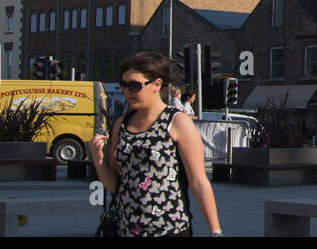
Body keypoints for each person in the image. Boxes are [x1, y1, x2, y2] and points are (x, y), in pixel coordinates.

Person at [89, 52, 222, 237]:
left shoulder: (177, 122)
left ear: (157, 85)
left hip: (169, 229)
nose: (128, 91)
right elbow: (118, 185)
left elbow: (198, 181)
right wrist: (98, 160)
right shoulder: (121, 124)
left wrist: (215, 231)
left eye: (135, 86)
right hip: (126, 230)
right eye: (124, 85)